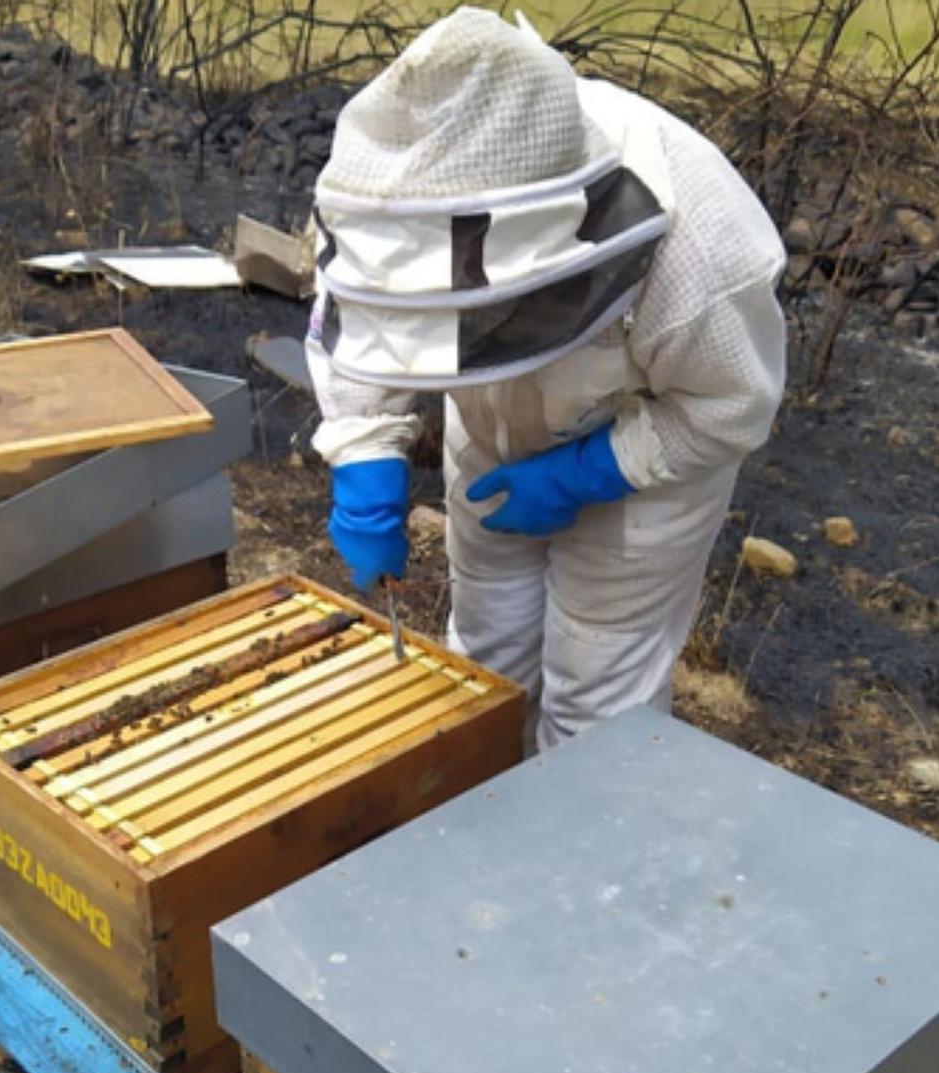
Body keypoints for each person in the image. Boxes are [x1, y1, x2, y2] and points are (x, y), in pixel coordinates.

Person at [306, 7, 788, 750]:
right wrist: (365, 446)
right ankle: (477, 832)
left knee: (595, 702)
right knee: (483, 667)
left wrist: (592, 471)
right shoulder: (387, 194)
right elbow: (367, 313)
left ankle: (576, 853)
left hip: (649, 461)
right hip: (490, 440)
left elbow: (731, 404)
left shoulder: (698, 242)